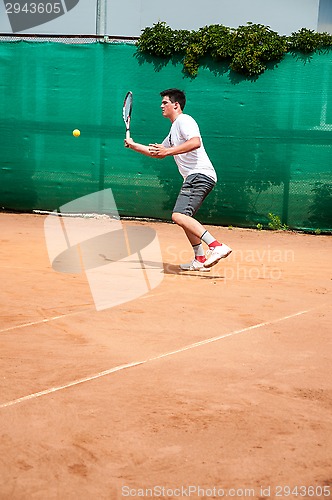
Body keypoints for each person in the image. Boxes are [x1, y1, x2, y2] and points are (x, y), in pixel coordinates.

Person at [124, 88, 232, 271]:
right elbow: (158, 153)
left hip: (199, 174)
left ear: (176, 105)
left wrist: (168, 151)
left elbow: (195, 142)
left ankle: (216, 246)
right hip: (196, 176)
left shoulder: (185, 120)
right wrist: (134, 146)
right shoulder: (174, 129)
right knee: (185, 217)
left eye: (165, 102)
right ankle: (199, 258)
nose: (161, 106)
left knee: (179, 215)